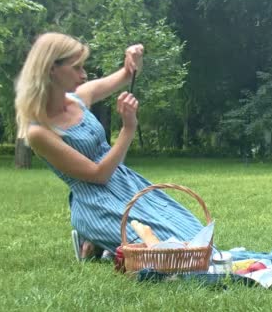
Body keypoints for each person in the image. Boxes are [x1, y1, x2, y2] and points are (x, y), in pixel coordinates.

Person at [14, 32, 203, 261]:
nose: (84, 75)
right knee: (168, 252)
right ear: (51, 68)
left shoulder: (79, 98)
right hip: (96, 201)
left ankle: (102, 246)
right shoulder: (39, 132)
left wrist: (134, 58)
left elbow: (127, 74)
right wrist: (128, 128)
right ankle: (92, 235)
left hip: (125, 183)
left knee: (195, 236)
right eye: (76, 68)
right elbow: (98, 175)